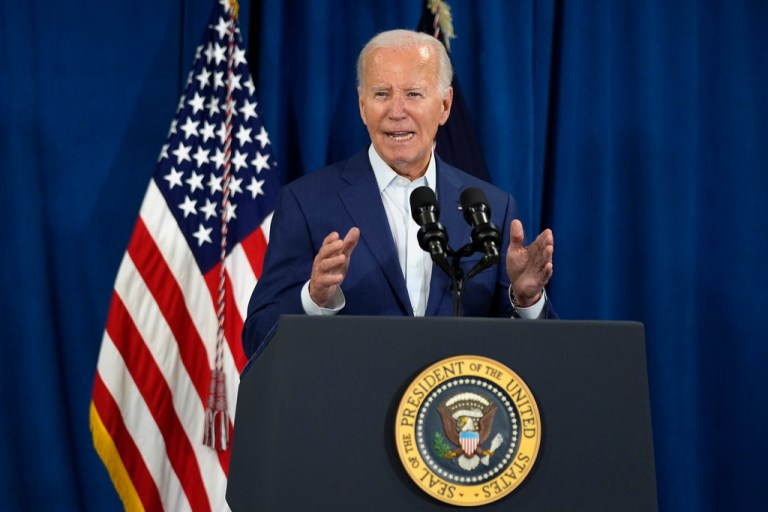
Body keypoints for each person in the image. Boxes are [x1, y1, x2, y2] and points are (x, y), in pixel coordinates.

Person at [242, 29, 555, 359]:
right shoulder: (307, 202)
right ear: (362, 107)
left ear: (445, 105)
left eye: (414, 94)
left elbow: (536, 357)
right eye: (381, 94)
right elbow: (257, 337)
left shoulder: (491, 207)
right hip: (352, 406)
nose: (396, 111)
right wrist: (314, 297)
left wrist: (526, 300)